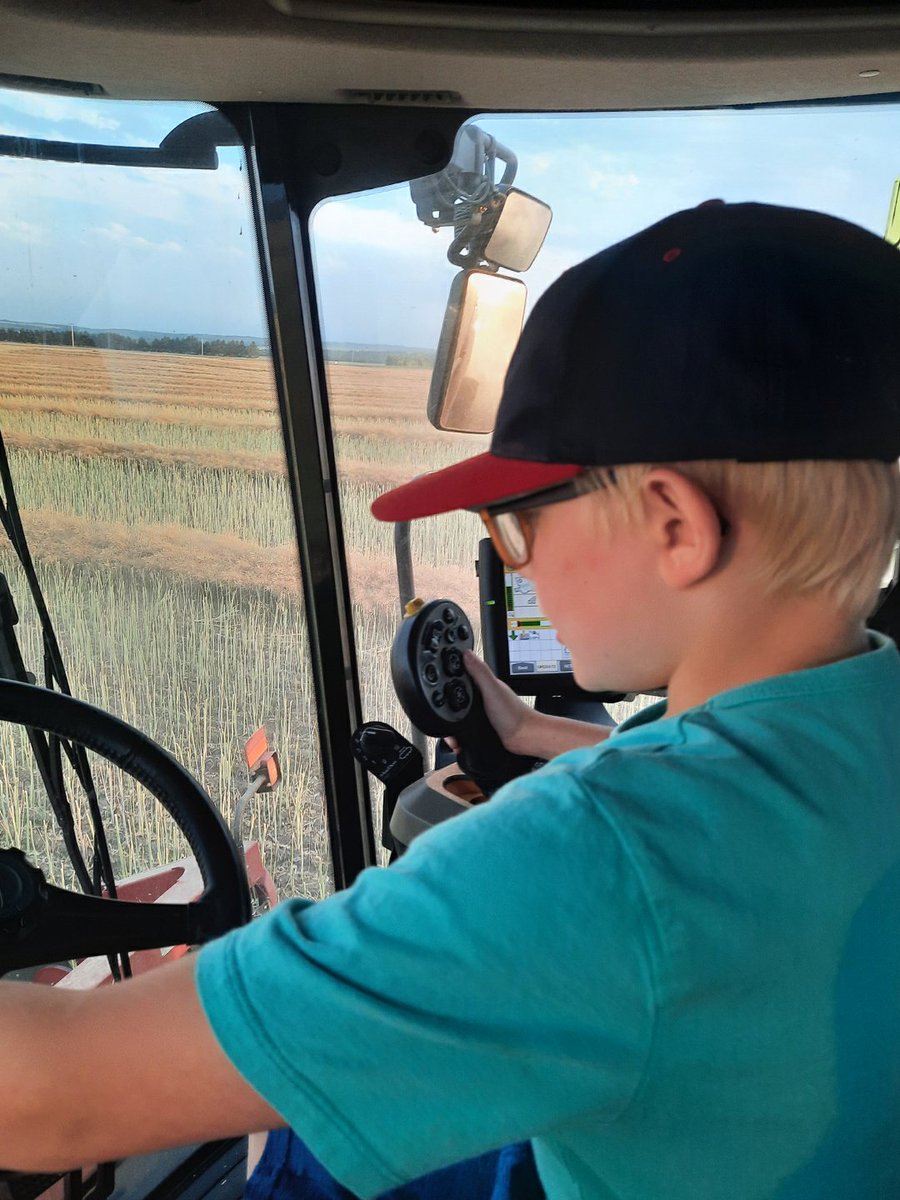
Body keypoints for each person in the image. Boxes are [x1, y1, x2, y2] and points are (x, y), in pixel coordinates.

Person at [2, 200, 899, 1199]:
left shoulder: (591, 859)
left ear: (674, 526)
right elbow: (735, 783)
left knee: (297, 1149)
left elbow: (48, 1096)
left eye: (515, 525)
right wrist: (517, 729)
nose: (517, 563)